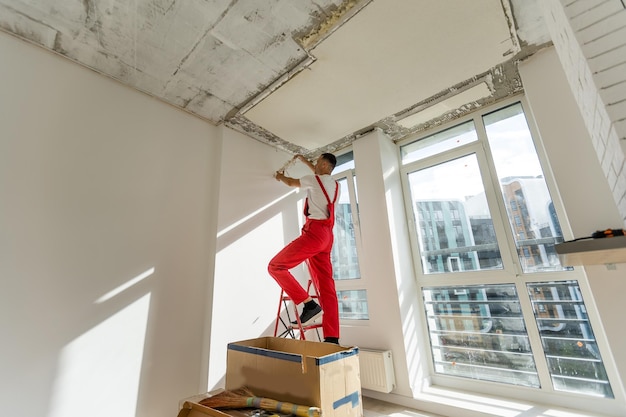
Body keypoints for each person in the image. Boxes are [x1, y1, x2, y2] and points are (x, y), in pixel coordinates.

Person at [268, 153, 340, 344]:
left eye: (317, 162)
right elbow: (317, 174)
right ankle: (332, 337)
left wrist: (280, 176)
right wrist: (303, 160)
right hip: (327, 236)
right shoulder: (334, 184)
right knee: (327, 287)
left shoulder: (314, 180)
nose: (314, 165)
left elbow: (292, 183)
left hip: (314, 234)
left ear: (324, 164)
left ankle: (308, 304)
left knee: (275, 267)